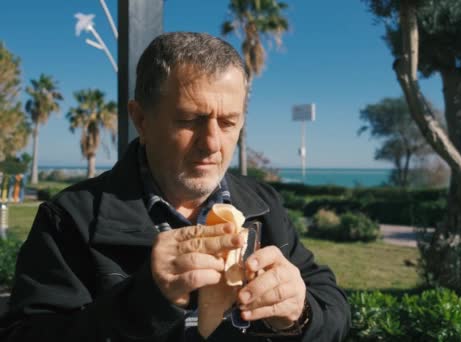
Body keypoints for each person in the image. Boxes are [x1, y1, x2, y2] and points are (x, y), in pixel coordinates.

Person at [0, 32, 350, 341]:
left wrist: (300, 314)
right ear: (141, 119)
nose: (212, 143)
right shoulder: (69, 219)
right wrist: (144, 302)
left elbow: (335, 310)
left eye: (228, 123)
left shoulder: (264, 205)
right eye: (189, 120)